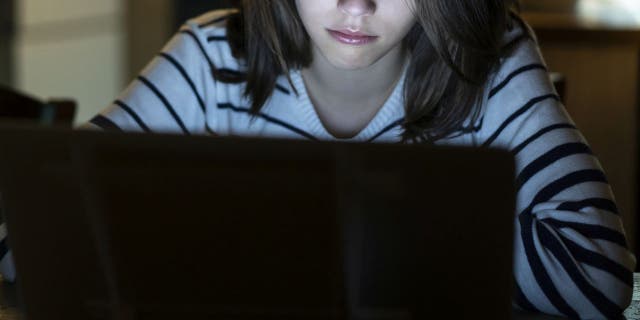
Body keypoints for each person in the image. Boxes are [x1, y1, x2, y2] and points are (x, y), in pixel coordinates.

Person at [1, 0, 635, 318]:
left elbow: (598, 276)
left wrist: (287, 234)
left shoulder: (491, 60)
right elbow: (28, 232)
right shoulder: (209, 56)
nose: (355, 6)